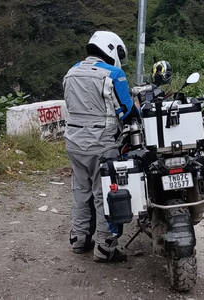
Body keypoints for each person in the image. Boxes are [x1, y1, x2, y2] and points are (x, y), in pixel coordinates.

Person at [63, 31, 139, 262]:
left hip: (74, 143)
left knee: (80, 191)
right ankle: (105, 248)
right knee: (103, 194)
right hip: (101, 145)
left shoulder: (71, 72)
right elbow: (126, 110)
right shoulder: (113, 74)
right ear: (111, 49)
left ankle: (79, 239)